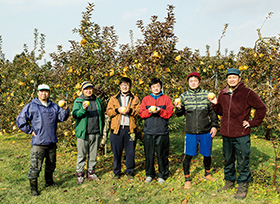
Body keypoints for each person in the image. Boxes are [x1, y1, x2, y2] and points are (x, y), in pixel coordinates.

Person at [209, 68, 266, 199]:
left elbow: (261, 108)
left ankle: (242, 184)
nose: (232, 79)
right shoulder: (222, 93)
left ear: (239, 78)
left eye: (234, 77)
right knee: (228, 159)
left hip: (241, 133)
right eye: (229, 77)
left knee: (242, 160)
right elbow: (220, 111)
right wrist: (215, 104)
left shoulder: (247, 93)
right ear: (227, 79)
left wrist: (252, 122)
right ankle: (229, 181)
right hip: (227, 133)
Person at [16, 84, 69, 196]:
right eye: (41, 91)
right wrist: (30, 131)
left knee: (51, 165)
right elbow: (20, 120)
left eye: (46, 91)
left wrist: (65, 109)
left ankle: (49, 182)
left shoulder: (54, 106)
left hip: (51, 141)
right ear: (38, 93)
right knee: (35, 166)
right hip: (38, 143)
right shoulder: (31, 106)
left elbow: (62, 117)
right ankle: (34, 189)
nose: (44, 93)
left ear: (49, 93)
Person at [174, 72, 219, 189]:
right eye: (191, 81)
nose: (193, 83)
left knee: (207, 154)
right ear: (188, 83)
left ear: (199, 82)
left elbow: (212, 112)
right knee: (188, 155)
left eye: (195, 80)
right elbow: (178, 114)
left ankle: (207, 173)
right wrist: (178, 108)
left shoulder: (206, 95)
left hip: (205, 130)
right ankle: (187, 178)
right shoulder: (183, 97)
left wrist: (214, 126)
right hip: (191, 132)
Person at [139, 77, 173, 184]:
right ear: (150, 88)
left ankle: (162, 175)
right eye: (153, 87)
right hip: (149, 131)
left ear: (161, 87)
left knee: (162, 154)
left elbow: (169, 113)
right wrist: (149, 111)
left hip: (162, 131)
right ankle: (149, 174)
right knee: (149, 154)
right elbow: (141, 114)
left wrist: (160, 111)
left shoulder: (166, 99)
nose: (156, 88)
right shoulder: (146, 99)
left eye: (157, 86)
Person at [106, 77, 140, 180]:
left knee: (130, 152)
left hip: (130, 130)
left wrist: (130, 111)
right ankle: (117, 172)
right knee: (116, 152)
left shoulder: (135, 98)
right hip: (117, 130)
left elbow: (139, 111)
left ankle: (130, 171)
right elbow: (109, 112)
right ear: (120, 86)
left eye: (127, 85)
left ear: (130, 86)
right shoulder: (113, 99)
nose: (125, 87)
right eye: (123, 85)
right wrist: (117, 110)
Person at [72, 81, 105, 184]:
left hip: (95, 131)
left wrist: (102, 129)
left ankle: (91, 172)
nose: (88, 91)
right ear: (82, 90)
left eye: (90, 88)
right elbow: (75, 114)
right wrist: (83, 109)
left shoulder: (97, 101)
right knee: (82, 155)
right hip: (83, 132)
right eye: (86, 89)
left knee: (93, 154)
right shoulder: (78, 101)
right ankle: (80, 174)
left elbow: (102, 116)